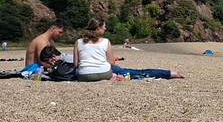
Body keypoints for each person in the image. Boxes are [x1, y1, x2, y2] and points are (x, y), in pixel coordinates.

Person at [40, 46, 184, 81]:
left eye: (49, 62)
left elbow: (82, 67)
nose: (50, 65)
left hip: (108, 69)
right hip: (107, 68)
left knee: (138, 73)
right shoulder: (66, 59)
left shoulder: (67, 59)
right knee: (137, 73)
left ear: (53, 56)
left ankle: (170, 73)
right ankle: (170, 73)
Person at [73, 18, 115, 82]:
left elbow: (76, 64)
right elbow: (112, 63)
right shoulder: (106, 41)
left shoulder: (78, 42)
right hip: (104, 73)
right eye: (104, 26)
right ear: (98, 28)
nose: (105, 28)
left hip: (85, 74)